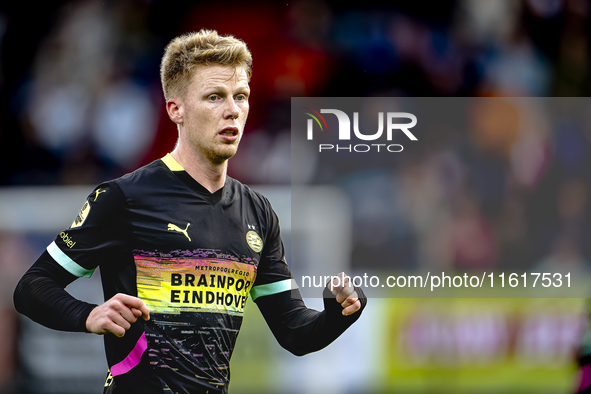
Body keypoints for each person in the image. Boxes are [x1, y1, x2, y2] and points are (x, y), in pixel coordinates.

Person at [13, 29, 366, 394]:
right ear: (175, 109)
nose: (232, 110)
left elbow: (295, 331)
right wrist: (88, 314)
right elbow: (32, 288)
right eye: (214, 96)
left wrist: (341, 312)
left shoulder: (258, 213)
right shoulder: (124, 198)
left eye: (240, 96)